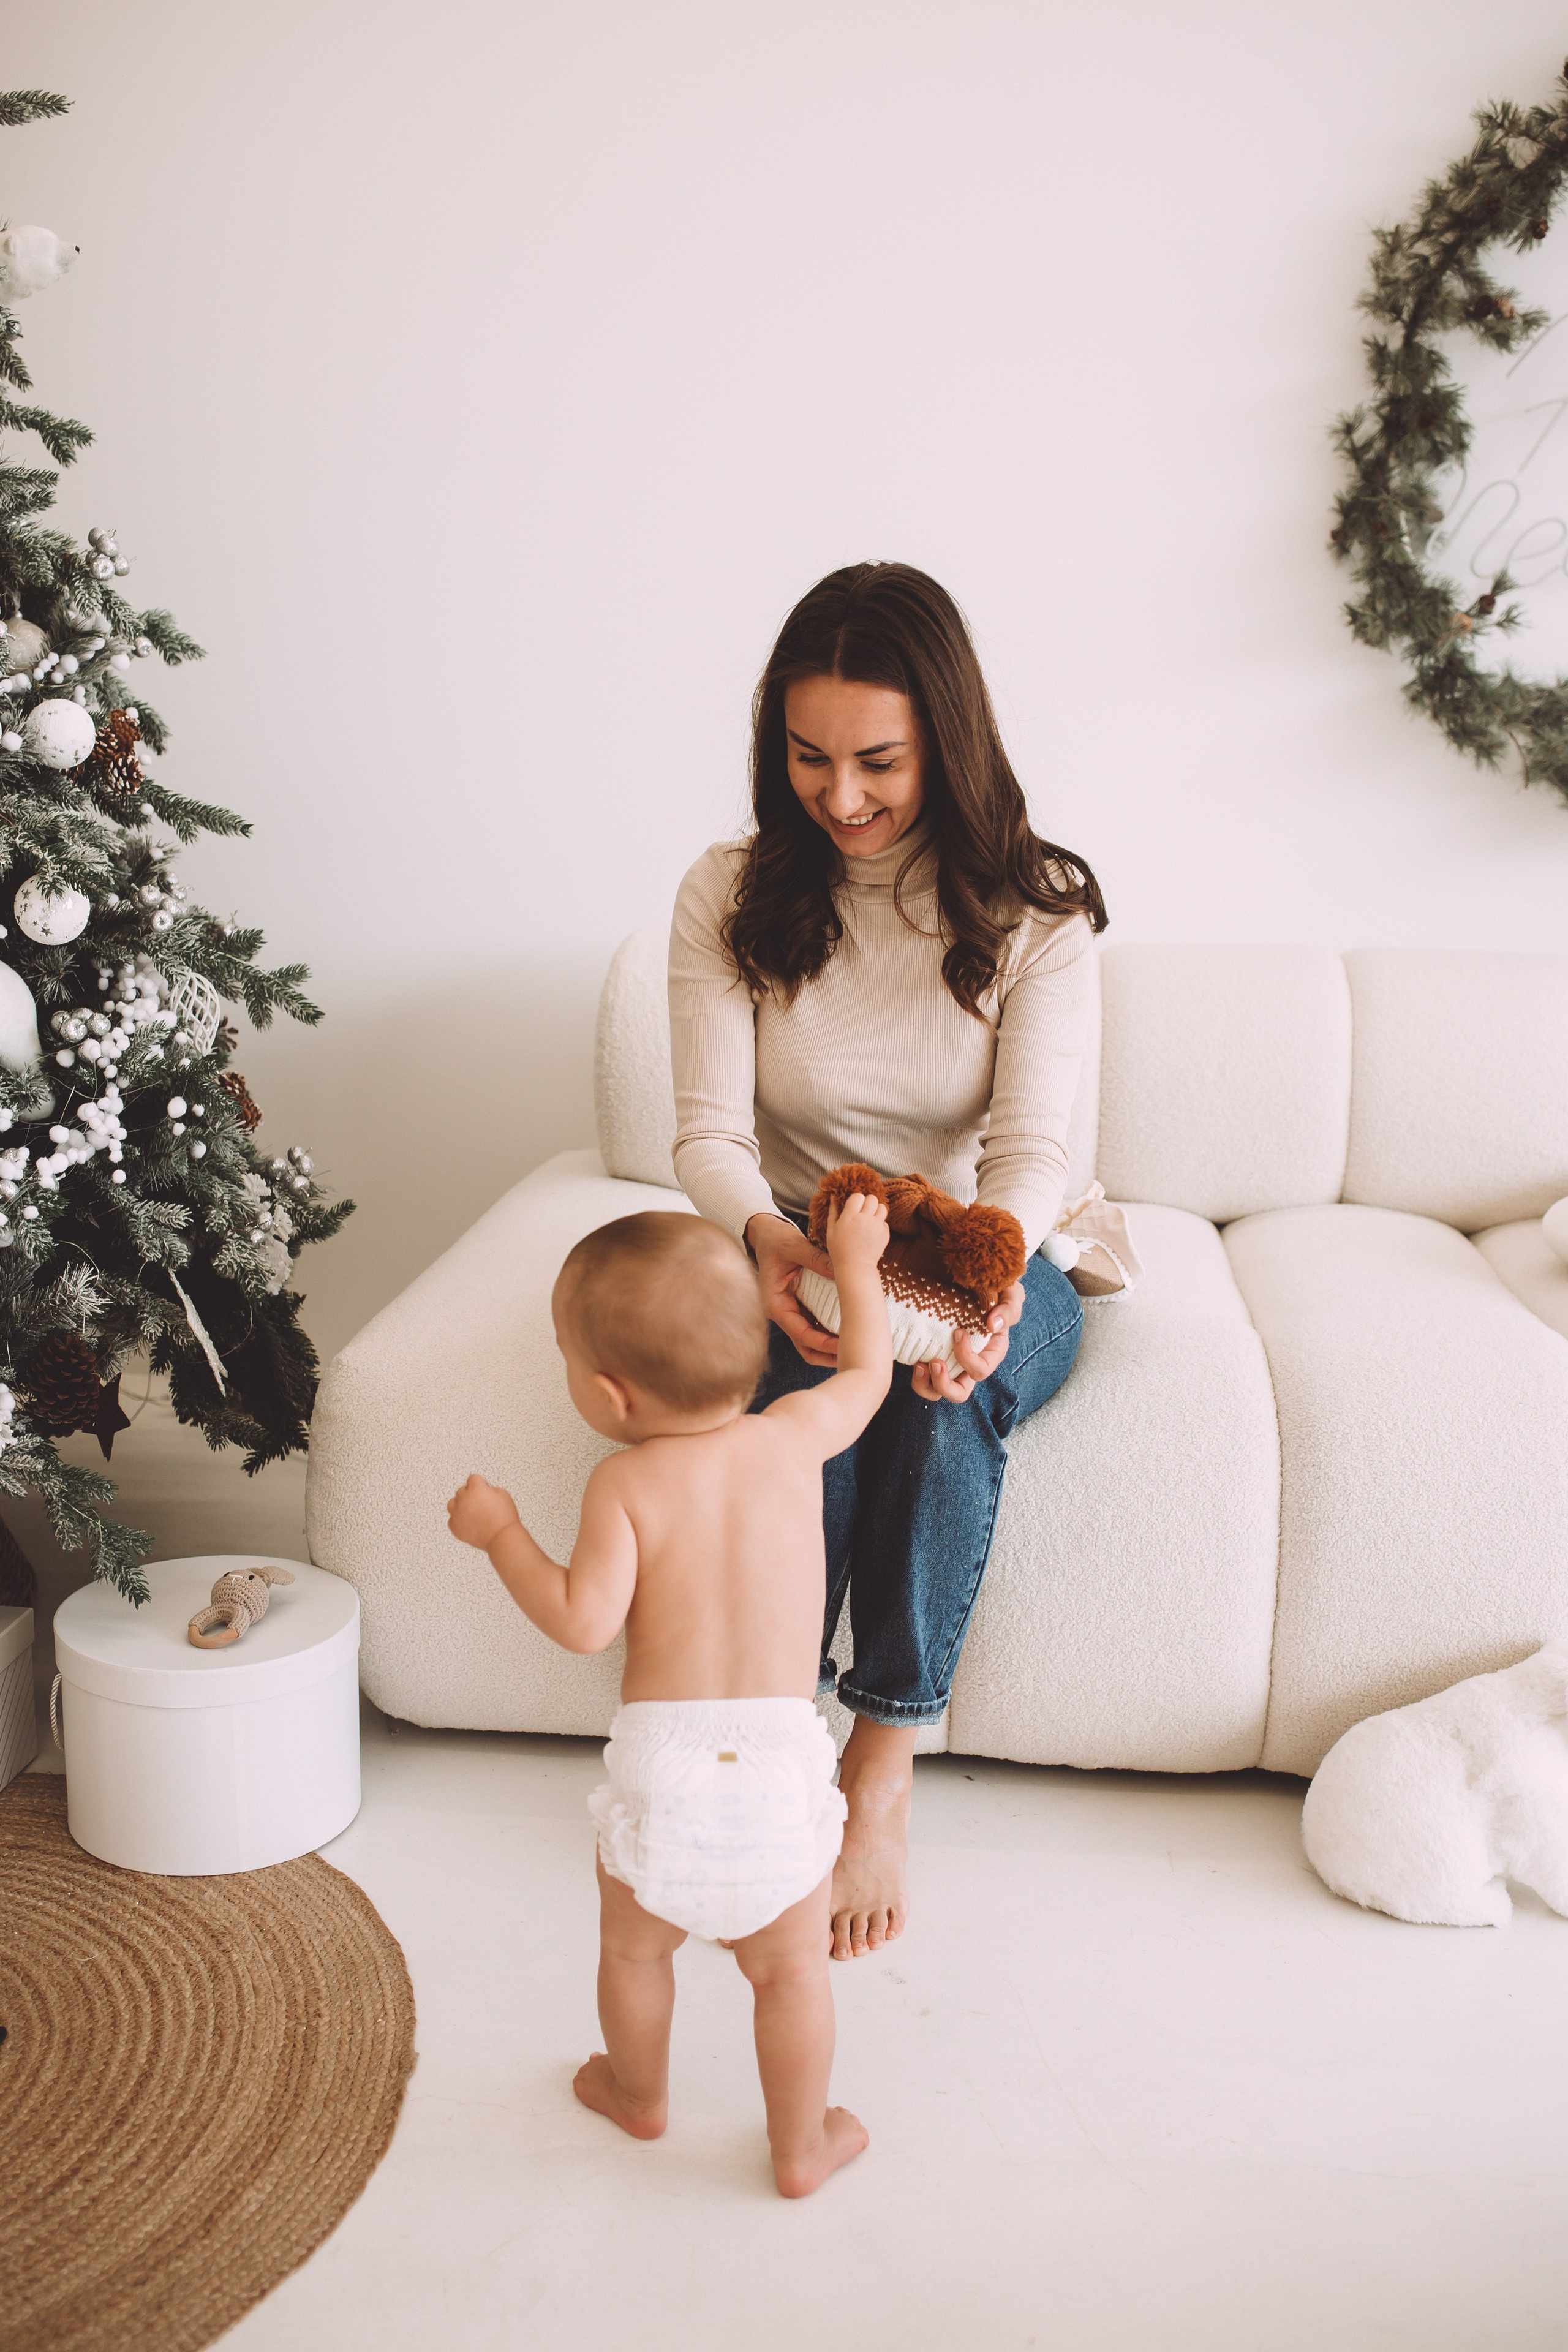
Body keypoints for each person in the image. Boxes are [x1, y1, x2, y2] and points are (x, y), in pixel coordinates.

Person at [669, 561, 1106, 1961]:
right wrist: (777, 1249)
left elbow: (1028, 1161)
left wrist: (975, 1299)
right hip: (806, 1232)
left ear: (946, 744)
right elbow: (704, 1135)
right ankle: (766, 1731)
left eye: (877, 763)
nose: (840, 798)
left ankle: (881, 1760)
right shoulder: (728, 895)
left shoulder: (1034, 913)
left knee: (929, 1385)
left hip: (996, 1241)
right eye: (807, 758)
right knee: (800, 1411)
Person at [446, 1189, 894, 2198]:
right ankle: (800, 2145)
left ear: (610, 1397)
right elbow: (869, 1375)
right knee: (789, 1974)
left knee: (635, 1953)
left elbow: (580, 1623)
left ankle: (638, 2094)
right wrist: (857, 1266)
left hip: (667, 1767)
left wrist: (501, 1534)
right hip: (781, 1761)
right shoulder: (792, 1438)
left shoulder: (625, 1486)